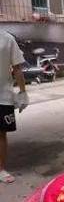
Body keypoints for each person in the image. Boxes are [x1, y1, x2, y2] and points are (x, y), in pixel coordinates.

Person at [0, 31, 29, 183]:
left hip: (2, 95)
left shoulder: (7, 39)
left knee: (1, 134)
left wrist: (23, 92)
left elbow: (17, 68)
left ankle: (1, 169)